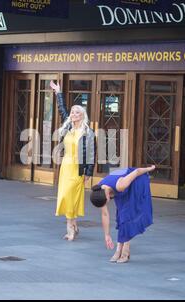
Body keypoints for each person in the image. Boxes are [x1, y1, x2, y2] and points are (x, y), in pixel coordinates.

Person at [50, 80, 95, 241]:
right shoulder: (68, 126)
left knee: (71, 196)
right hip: (66, 167)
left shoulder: (88, 132)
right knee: (66, 196)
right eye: (73, 112)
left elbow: (91, 154)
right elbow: (61, 109)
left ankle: (70, 229)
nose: (74, 114)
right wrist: (58, 92)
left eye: (77, 113)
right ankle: (74, 224)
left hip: (78, 169)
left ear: (82, 116)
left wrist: (89, 173)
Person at [90, 166, 155, 263]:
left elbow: (137, 172)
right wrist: (106, 235)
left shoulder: (120, 185)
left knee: (126, 216)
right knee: (121, 216)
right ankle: (119, 250)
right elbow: (105, 214)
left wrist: (149, 169)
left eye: (107, 201)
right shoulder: (99, 191)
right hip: (122, 185)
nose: (107, 203)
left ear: (107, 195)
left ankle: (124, 250)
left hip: (136, 179)